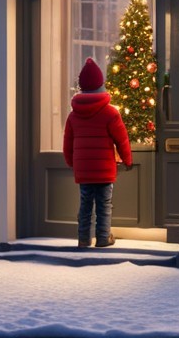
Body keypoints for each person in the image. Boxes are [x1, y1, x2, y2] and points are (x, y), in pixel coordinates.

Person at [63, 57, 132, 248]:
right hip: (104, 169)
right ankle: (103, 238)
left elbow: (67, 143)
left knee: (85, 204)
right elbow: (122, 139)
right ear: (101, 85)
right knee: (104, 205)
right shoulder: (110, 113)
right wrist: (127, 159)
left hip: (84, 169)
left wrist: (71, 162)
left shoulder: (73, 115)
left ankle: (83, 239)